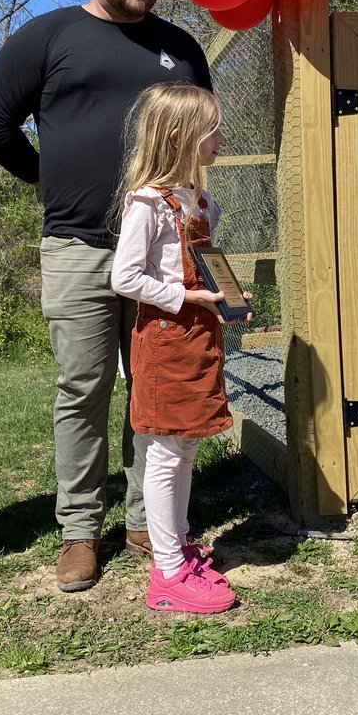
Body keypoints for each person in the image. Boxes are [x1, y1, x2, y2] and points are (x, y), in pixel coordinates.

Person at [0, 0, 213, 593]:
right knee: (84, 387)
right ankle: (80, 529)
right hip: (78, 247)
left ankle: (146, 520)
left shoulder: (181, 48)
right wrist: (50, 180)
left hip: (164, 250)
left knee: (155, 385)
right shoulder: (49, 36)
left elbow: (199, 138)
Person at [110, 82, 246, 614]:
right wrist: (186, 297)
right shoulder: (147, 203)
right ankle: (167, 572)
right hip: (165, 342)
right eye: (212, 131)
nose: (220, 140)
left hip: (199, 338)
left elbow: (205, 269)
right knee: (165, 453)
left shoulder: (201, 202)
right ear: (177, 136)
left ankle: (179, 547)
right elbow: (125, 277)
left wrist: (226, 300)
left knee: (186, 447)